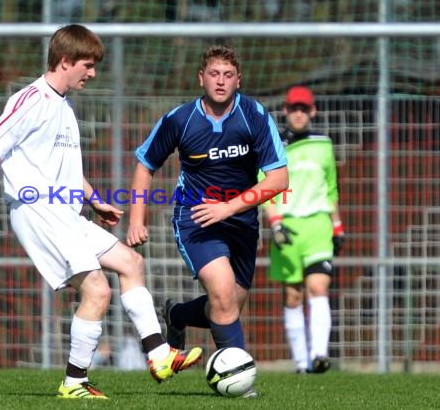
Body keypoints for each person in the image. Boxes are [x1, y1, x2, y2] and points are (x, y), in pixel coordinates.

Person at [0, 24, 202, 399]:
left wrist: (95, 199)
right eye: (87, 64)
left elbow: (64, 169)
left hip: (66, 213)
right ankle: (74, 383)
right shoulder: (31, 98)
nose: (93, 73)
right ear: (65, 61)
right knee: (98, 290)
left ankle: (159, 354)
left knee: (131, 263)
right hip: (37, 211)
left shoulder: (64, 105)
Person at [126, 44, 288, 395]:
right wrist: (136, 219)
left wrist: (229, 208)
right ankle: (240, 383)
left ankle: (179, 316)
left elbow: (279, 179)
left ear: (238, 80)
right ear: (201, 78)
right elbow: (145, 164)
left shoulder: (255, 116)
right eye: (214, 74)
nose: (220, 81)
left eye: (228, 75)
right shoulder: (180, 119)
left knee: (226, 305)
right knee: (224, 294)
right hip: (196, 219)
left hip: (242, 224)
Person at [261, 86, 344, 374]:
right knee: (293, 294)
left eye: (304, 108)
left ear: (312, 111)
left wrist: (337, 226)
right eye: (293, 108)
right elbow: (267, 189)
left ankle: (320, 354)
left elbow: (331, 188)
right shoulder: (274, 146)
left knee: (318, 287)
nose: (298, 113)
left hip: (318, 225)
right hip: (288, 227)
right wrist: (276, 224)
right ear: (285, 111)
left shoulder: (324, 144)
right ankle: (301, 363)